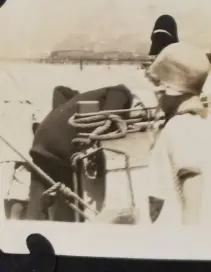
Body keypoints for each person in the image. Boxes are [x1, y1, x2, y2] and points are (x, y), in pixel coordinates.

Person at [142, 42, 211, 226]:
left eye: (158, 92)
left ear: (169, 90)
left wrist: (190, 245)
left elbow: (193, 186)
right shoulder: (210, 123)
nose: (157, 100)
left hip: (182, 239)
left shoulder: (179, 127)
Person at [26, 84, 136, 221]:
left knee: (38, 202)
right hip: (61, 147)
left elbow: (59, 90)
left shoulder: (87, 96)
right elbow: (107, 116)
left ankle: (31, 228)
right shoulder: (122, 91)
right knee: (70, 195)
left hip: (41, 140)